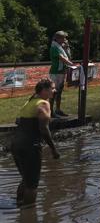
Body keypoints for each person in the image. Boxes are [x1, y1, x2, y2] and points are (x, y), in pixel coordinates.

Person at [11, 78, 60, 206]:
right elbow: (44, 129)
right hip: (30, 146)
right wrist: (53, 149)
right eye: (52, 88)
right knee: (32, 185)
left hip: (16, 145)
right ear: (44, 90)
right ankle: (28, 216)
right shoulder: (43, 104)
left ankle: (19, 205)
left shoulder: (30, 102)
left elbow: (19, 121)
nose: (55, 90)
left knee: (26, 179)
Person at [48, 30, 78, 118]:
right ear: (58, 38)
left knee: (59, 92)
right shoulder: (54, 47)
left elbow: (68, 57)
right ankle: (51, 111)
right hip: (55, 73)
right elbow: (62, 59)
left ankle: (58, 109)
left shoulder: (61, 47)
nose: (65, 39)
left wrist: (67, 48)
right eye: (63, 38)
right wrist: (72, 65)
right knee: (53, 92)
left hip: (61, 72)